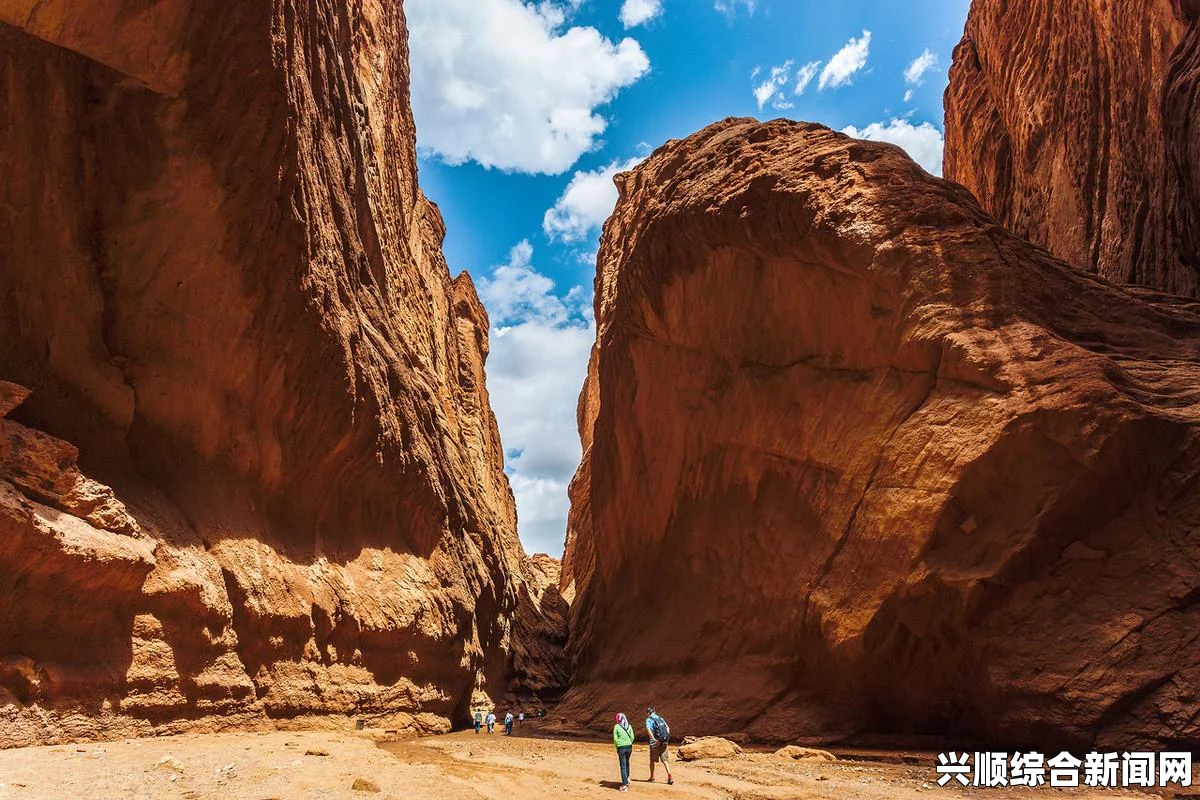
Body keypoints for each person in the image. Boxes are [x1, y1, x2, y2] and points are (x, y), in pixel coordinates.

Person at [645, 706, 673, 785]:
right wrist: (665, 738)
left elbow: (648, 729)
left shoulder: (649, 720)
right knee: (665, 760)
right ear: (654, 711)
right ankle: (670, 776)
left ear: (648, 713)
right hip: (664, 742)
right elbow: (667, 728)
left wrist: (653, 739)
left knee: (652, 761)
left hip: (655, 743)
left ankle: (652, 777)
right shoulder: (660, 718)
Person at [613, 712, 635, 792]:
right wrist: (629, 743)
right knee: (627, 763)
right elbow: (632, 737)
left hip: (621, 747)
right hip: (629, 747)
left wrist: (617, 747)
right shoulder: (629, 726)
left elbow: (615, 739)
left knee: (623, 765)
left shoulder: (616, 727)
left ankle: (625, 784)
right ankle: (627, 778)